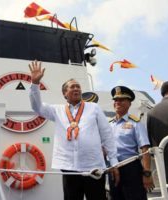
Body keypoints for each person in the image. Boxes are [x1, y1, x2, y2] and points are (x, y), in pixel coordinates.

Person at [29, 60, 119, 200]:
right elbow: (37, 107)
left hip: (93, 167)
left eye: (78, 87)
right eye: (72, 87)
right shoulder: (56, 110)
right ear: (65, 94)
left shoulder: (93, 108)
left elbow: (106, 134)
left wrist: (113, 162)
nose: (77, 89)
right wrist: (35, 84)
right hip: (69, 168)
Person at [108, 86, 154, 200]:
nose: (118, 102)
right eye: (116, 100)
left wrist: (147, 174)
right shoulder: (108, 125)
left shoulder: (136, 124)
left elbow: (145, 149)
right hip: (112, 169)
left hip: (130, 168)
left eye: (122, 100)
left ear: (129, 103)